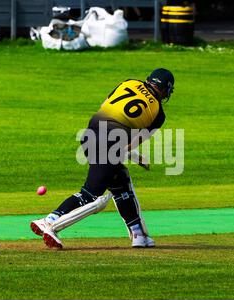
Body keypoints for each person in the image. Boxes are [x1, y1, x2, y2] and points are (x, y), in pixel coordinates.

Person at [31, 68, 175, 249]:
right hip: (110, 142)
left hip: (90, 132)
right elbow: (135, 140)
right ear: (165, 89)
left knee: (120, 180)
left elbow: (106, 104)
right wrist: (130, 153)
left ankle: (138, 234)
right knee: (91, 194)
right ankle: (50, 220)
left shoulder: (129, 82)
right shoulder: (158, 114)